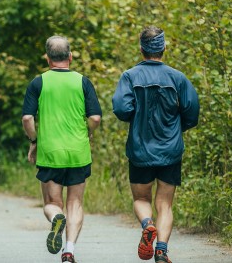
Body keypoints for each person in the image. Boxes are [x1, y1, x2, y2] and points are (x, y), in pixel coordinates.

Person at [112, 26, 199, 263]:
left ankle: (147, 225)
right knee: (165, 204)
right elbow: (192, 113)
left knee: (141, 199)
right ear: (164, 49)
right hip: (170, 150)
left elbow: (121, 109)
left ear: (141, 49)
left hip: (140, 149)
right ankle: (161, 251)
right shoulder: (178, 78)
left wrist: (136, 119)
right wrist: (175, 130)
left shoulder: (130, 76)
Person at [22, 36, 102, 263]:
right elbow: (95, 117)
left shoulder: (38, 82)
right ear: (70, 56)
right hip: (78, 151)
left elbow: (28, 118)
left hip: (50, 153)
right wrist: (88, 131)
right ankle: (69, 251)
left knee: (52, 204)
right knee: (75, 203)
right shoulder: (83, 81)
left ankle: (57, 218)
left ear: (47, 58)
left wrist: (34, 140)